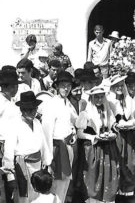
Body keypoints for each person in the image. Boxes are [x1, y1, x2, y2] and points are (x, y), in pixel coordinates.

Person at [3, 91, 51, 203]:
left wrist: (47, 163)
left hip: (38, 166)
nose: (32, 112)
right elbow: (8, 151)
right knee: (23, 197)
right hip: (22, 167)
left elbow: (43, 145)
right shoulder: (14, 124)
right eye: (28, 110)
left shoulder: (37, 123)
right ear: (22, 110)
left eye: (34, 109)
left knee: (38, 196)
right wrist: (10, 176)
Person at [75, 84, 119, 203]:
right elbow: (79, 133)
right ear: (91, 98)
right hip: (92, 148)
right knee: (93, 177)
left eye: (101, 97)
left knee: (108, 175)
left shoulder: (107, 111)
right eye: (96, 97)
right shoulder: (85, 113)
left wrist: (114, 130)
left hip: (107, 147)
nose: (99, 100)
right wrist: (92, 137)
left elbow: (112, 125)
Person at [42, 71, 77, 203]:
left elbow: (73, 121)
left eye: (68, 86)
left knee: (64, 184)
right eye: (63, 85)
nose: (66, 89)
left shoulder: (67, 102)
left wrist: (73, 131)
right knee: (55, 185)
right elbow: (47, 132)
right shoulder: (51, 104)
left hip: (67, 147)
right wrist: (48, 159)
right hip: (56, 149)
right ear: (57, 86)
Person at [106, 74, 135, 202]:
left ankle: (126, 192)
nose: (119, 88)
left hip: (129, 136)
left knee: (130, 162)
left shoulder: (127, 100)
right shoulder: (109, 101)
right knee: (118, 163)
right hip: (116, 136)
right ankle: (117, 193)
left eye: (121, 85)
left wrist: (132, 122)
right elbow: (110, 119)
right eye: (116, 85)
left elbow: (130, 116)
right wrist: (116, 125)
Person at [0, 69, 21, 203]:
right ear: (6, 87)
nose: (16, 88)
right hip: (3, 145)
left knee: (10, 183)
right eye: (14, 86)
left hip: (11, 144)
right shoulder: (2, 103)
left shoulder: (11, 103)